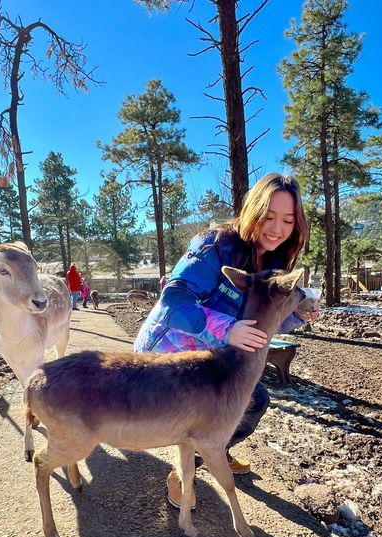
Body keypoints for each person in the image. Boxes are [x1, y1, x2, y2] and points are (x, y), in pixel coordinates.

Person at [134, 173, 317, 509]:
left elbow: (267, 322)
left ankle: (212, 451)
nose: (277, 228)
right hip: (167, 353)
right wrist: (228, 330)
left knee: (254, 402)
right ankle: (183, 470)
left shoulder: (276, 262)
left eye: (288, 220)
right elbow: (174, 304)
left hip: (214, 355)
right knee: (195, 413)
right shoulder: (214, 246)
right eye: (269, 216)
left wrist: (298, 317)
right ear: (253, 211)